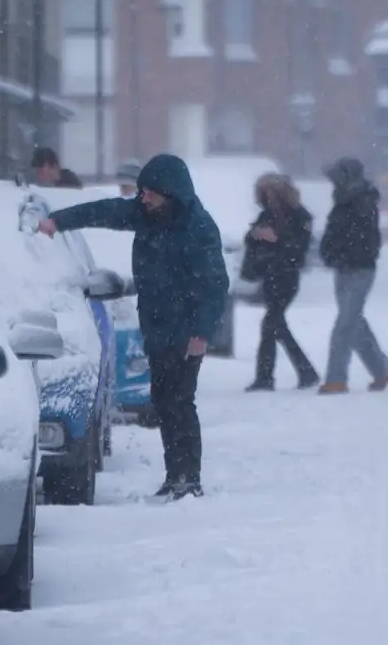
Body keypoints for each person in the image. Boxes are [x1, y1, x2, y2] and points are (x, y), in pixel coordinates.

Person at [36, 154, 228, 500]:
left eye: (151, 192)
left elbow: (214, 285)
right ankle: (174, 476)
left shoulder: (198, 227)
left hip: (186, 331)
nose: (144, 198)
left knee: (181, 402)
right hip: (156, 326)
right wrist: (58, 221)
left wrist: (201, 333)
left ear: (171, 192)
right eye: (142, 191)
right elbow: (102, 211)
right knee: (163, 401)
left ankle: (189, 478)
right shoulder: (145, 214)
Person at [317, 157, 388, 395]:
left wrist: (343, 252)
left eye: (336, 177)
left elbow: (364, 239)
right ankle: (382, 369)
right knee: (354, 323)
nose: (333, 182)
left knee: (344, 325)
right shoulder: (343, 199)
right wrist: (330, 253)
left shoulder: (363, 201)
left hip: (360, 270)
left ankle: (336, 379)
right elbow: (336, 232)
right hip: (342, 268)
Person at [242, 173, 319, 392]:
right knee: (276, 326)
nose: (266, 196)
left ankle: (268, 377)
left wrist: (277, 239)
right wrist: (256, 235)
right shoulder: (266, 214)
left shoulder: (299, 215)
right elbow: (250, 239)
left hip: (286, 277)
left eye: (269, 191)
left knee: (271, 324)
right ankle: (303, 372)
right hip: (269, 276)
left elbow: (300, 248)